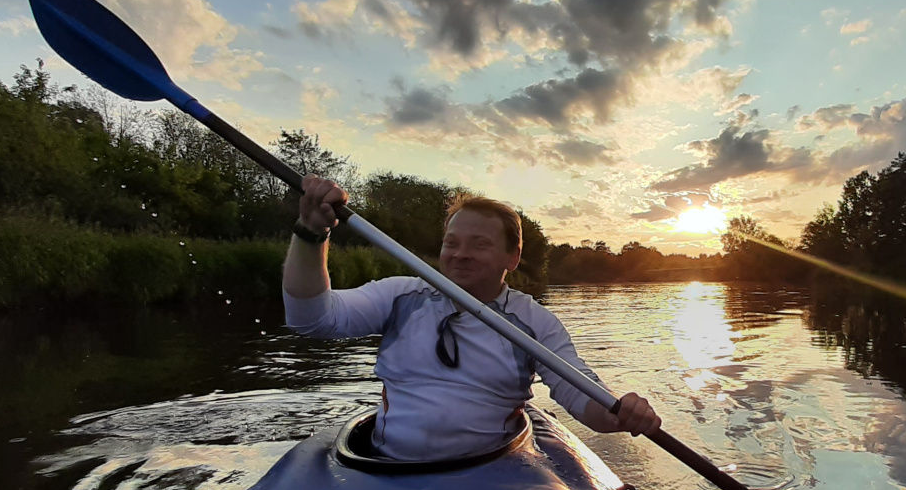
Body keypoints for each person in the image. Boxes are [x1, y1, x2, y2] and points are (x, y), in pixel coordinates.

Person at [283, 177, 662, 460]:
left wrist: (621, 414)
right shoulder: (400, 295)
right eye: (452, 243)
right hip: (386, 467)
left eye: (480, 244)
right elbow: (313, 319)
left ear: (512, 259)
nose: (460, 254)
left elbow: (583, 398)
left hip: (489, 471)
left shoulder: (534, 323)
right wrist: (311, 233)